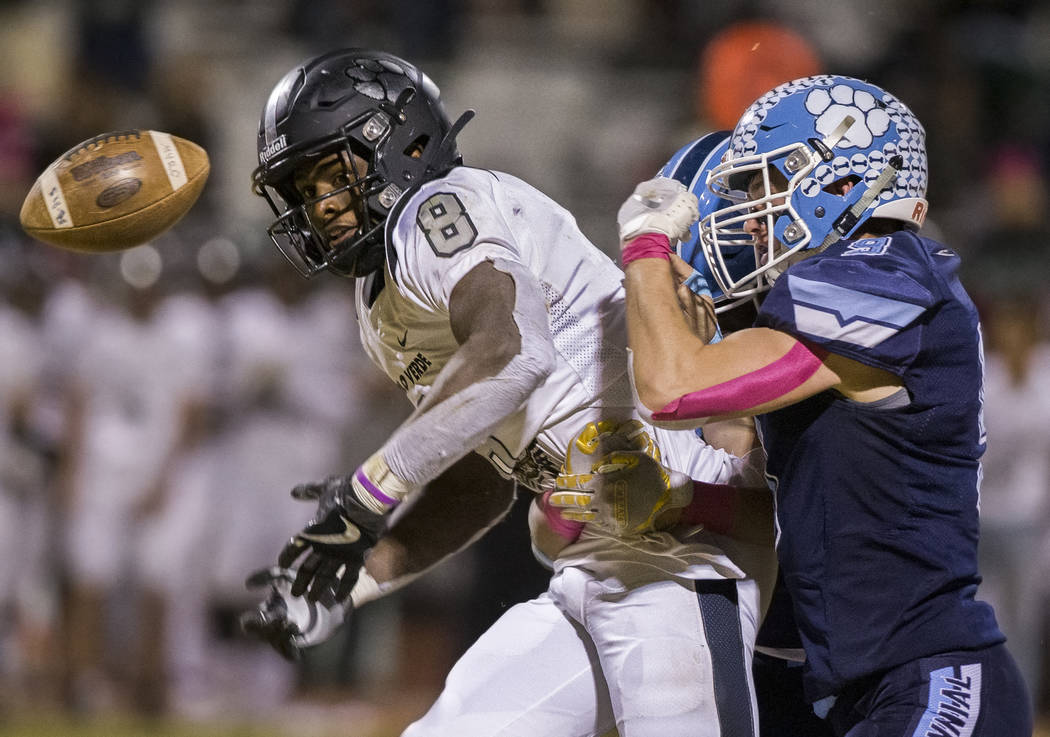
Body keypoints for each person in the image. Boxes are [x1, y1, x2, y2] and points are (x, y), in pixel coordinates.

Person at [239, 48, 777, 737]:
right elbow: (482, 476)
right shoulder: (381, 295)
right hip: (595, 560)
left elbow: (514, 351)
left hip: (685, 541)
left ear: (400, 144)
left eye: (333, 174)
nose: (322, 206)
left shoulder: (440, 207)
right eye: (305, 188)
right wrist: (361, 574)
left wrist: (370, 494)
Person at [558, 75, 1033, 736]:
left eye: (766, 185)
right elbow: (786, 503)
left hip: (924, 674)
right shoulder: (841, 305)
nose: (752, 216)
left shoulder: (885, 273)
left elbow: (673, 388)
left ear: (841, 184)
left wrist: (645, 245)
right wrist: (672, 500)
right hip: (839, 686)